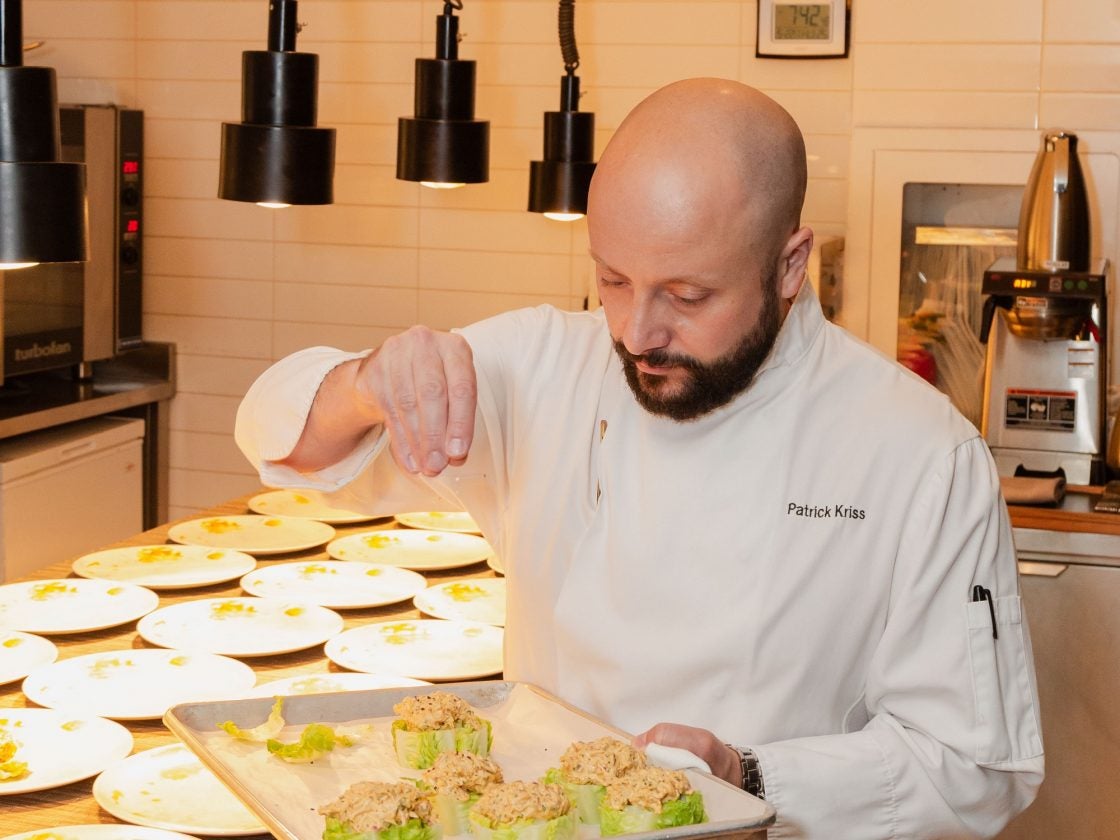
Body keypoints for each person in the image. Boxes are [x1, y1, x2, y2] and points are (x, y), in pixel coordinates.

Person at [236, 78, 1043, 838]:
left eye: (688, 296)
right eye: (613, 280)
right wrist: (366, 383)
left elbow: (974, 769)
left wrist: (749, 776)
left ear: (790, 266)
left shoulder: (919, 453)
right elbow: (286, 439)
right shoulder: (545, 366)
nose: (636, 333)